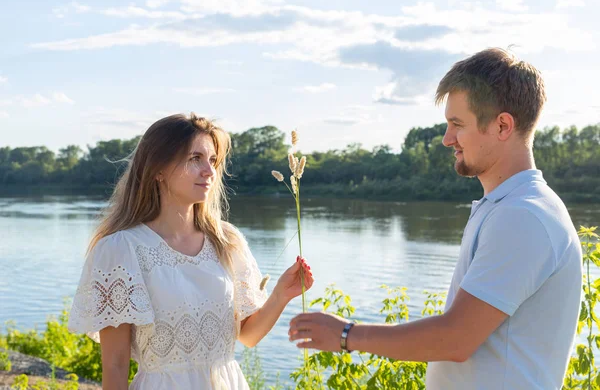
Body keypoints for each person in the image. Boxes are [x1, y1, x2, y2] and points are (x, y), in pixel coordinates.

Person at [288, 48, 582, 389]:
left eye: (457, 124)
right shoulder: (505, 207)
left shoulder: (524, 216)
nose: (447, 139)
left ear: (503, 125)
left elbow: (455, 339)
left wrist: (345, 334)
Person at [68, 113, 314, 390]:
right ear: (158, 169)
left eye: (212, 160)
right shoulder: (121, 249)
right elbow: (115, 365)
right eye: (194, 158)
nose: (209, 171)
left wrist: (281, 294)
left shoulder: (227, 241)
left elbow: (248, 336)